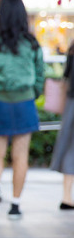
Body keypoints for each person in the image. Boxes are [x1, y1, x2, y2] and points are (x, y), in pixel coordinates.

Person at [0, 0, 44, 220]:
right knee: (20, 155)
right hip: (25, 102)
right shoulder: (32, 43)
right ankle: (15, 205)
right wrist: (31, 93)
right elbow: (40, 76)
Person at [50, 40, 74, 209]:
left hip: (71, 103)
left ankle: (66, 195)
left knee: (70, 148)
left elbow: (66, 76)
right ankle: (66, 197)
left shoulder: (72, 48)